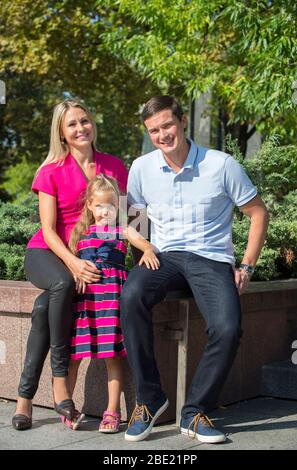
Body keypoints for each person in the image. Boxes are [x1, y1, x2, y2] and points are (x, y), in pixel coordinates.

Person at [120, 95, 269, 443]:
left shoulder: (221, 165)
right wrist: (143, 251)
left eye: (167, 125)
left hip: (210, 257)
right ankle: (149, 398)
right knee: (131, 296)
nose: (162, 135)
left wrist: (246, 265)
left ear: (182, 121)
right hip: (163, 255)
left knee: (228, 327)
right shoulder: (141, 167)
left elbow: (258, 213)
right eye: (154, 130)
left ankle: (195, 411)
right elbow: (134, 220)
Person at [12, 99, 128, 431]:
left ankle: (23, 400)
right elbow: (48, 230)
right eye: (72, 124)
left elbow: (132, 218)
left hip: (93, 258)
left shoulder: (115, 166)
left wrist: (129, 260)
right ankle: (60, 383)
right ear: (62, 133)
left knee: (42, 308)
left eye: (84, 121)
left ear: (93, 124)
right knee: (61, 284)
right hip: (48, 254)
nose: (80, 128)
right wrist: (74, 263)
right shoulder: (51, 170)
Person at [62, 174, 160, 432]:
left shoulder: (122, 230)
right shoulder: (80, 233)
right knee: (74, 356)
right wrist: (74, 272)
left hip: (112, 302)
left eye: (112, 205)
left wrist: (148, 250)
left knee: (112, 357)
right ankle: (67, 406)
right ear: (90, 206)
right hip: (87, 303)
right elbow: (69, 261)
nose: (106, 211)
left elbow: (145, 243)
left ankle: (112, 412)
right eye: (100, 205)